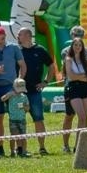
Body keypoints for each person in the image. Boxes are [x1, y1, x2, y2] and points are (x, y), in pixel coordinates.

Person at [16, 27, 56, 155]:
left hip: (34, 91)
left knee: (38, 119)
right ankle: (21, 149)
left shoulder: (40, 50)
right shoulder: (17, 51)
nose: (18, 37)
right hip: (20, 92)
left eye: (20, 34)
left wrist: (45, 82)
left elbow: (51, 65)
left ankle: (42, 147)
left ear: (28, 35)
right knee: (19, 120)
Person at [60, 26, 87, 152]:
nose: (78, 37)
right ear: (71, 36)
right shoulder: (66, 52)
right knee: (69, 115)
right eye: (75, 34)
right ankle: (65, 144)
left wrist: (81, 77)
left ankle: (80, 145)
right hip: (71, 87)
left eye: (80, 35)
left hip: (85, 88)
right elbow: (68, 74)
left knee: (84, 117)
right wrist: (82, 77)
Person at [4, 77, 29, 157]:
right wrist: (9, 94)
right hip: (13, 119)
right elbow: (2, 99)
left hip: (22, 119)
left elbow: (28, 109)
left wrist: (24, 106)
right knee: (13, 136)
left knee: (23, 136)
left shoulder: (24, 97)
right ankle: (12, 151)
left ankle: (24, 151)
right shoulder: (11, 95)